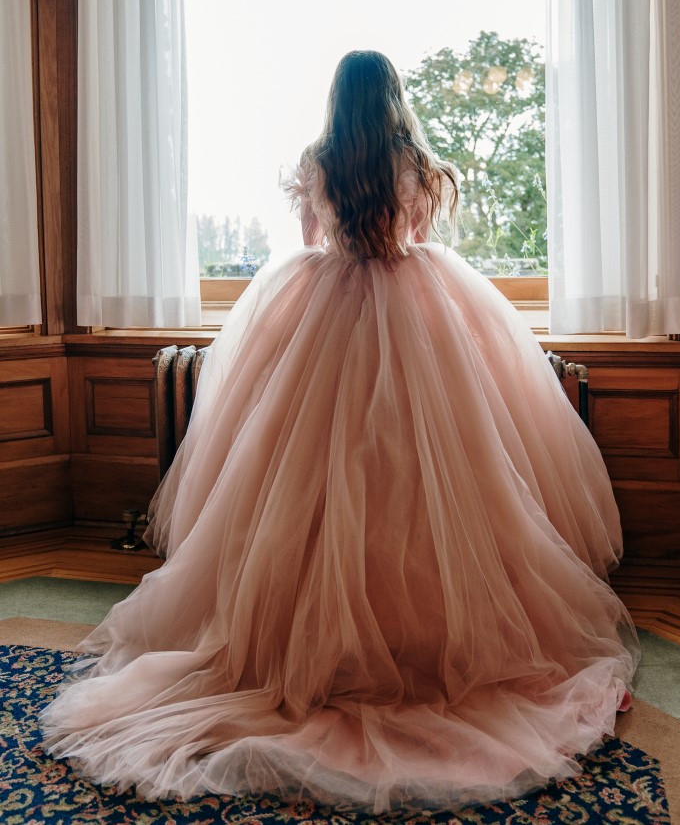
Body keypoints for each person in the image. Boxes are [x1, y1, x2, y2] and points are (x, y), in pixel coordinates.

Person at [41, 50, 638, 812]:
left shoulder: (319, 159)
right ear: (392, 98)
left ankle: (302, 638)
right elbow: (416, 234)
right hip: (412, 310)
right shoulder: (417, 163)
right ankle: (421, 635)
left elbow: (313, 238)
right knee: (425, 479)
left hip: (327, 312)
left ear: (337, 99)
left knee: (308, 477)